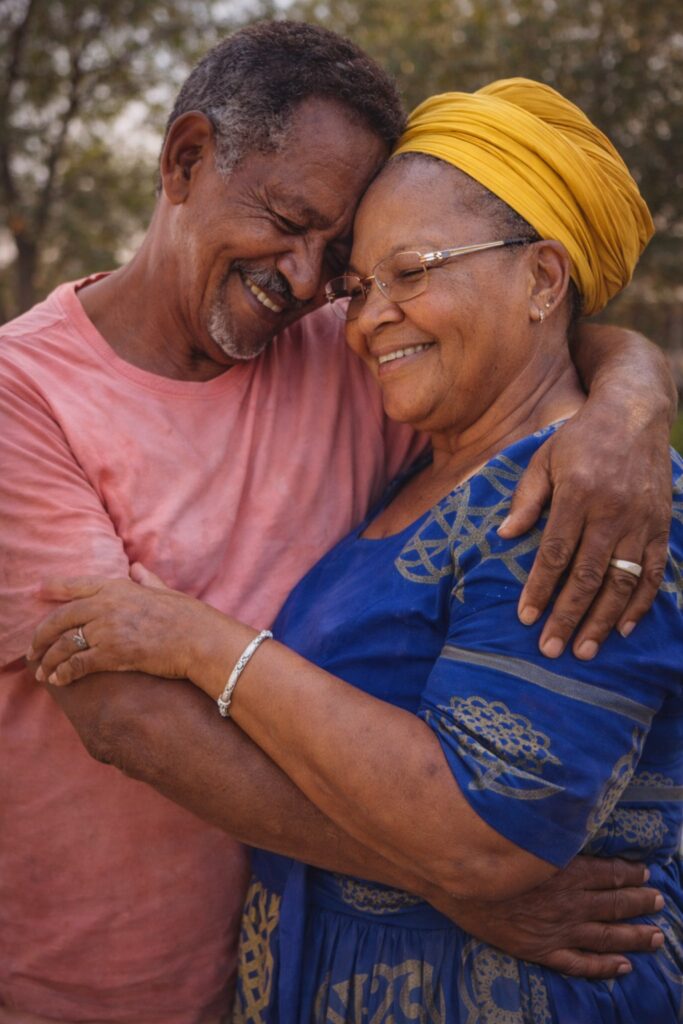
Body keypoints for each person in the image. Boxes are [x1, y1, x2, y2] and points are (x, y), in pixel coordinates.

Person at [0, 21, 675, 1024]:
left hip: (264, 976)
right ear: (184, 159)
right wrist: (453, 879)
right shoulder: (25, 396)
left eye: (344, 260)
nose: (318, 287)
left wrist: (626, 406)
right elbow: (128, 716)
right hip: (81, 987)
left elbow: (524, 330)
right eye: (287, 219)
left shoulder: (343, 357)